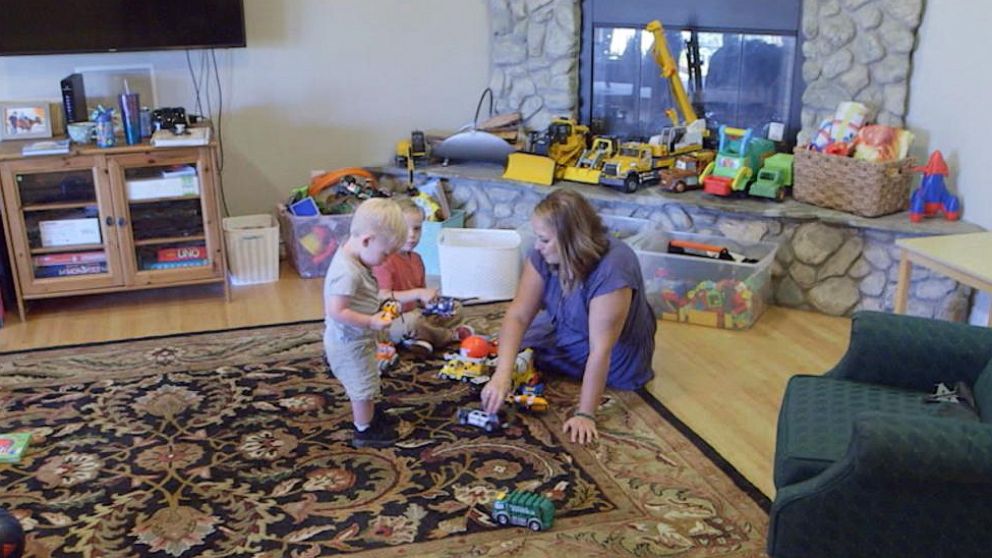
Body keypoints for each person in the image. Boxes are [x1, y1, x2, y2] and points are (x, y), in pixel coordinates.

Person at [480, 190, 656, 444]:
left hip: (614, 353)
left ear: (570, 241)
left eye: (544, 240)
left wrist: (585, 413)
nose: (537, 247)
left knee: (530, 349)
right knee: (514, 342)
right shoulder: (543, 252)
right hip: (568, 326)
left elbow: (601, 352)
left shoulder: (613, 270)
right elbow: (518, 315)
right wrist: (502, 373)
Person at [323, 198, 433, 448]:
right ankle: (364, 430)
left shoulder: (357, 257)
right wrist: (371, 321)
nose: (385, 261)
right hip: (348, 343)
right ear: (366, 240)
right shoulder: (346, 272)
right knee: (361, 386)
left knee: (369, 378)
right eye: (385, 253)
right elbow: (337, 310)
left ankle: (370, 413)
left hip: (359, 338)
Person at [372, 198, 470, 353]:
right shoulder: (384, 260)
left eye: (417, 229)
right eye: (405, 228)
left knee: (456, 308)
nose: (412, 235)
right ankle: (449, 336)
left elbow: (420, 299)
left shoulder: (417, 259)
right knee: (414, 322)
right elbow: (383, 296)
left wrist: (431, 303)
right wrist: (417, 293)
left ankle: (419, 338)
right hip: (390, 322)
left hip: (416, 314)